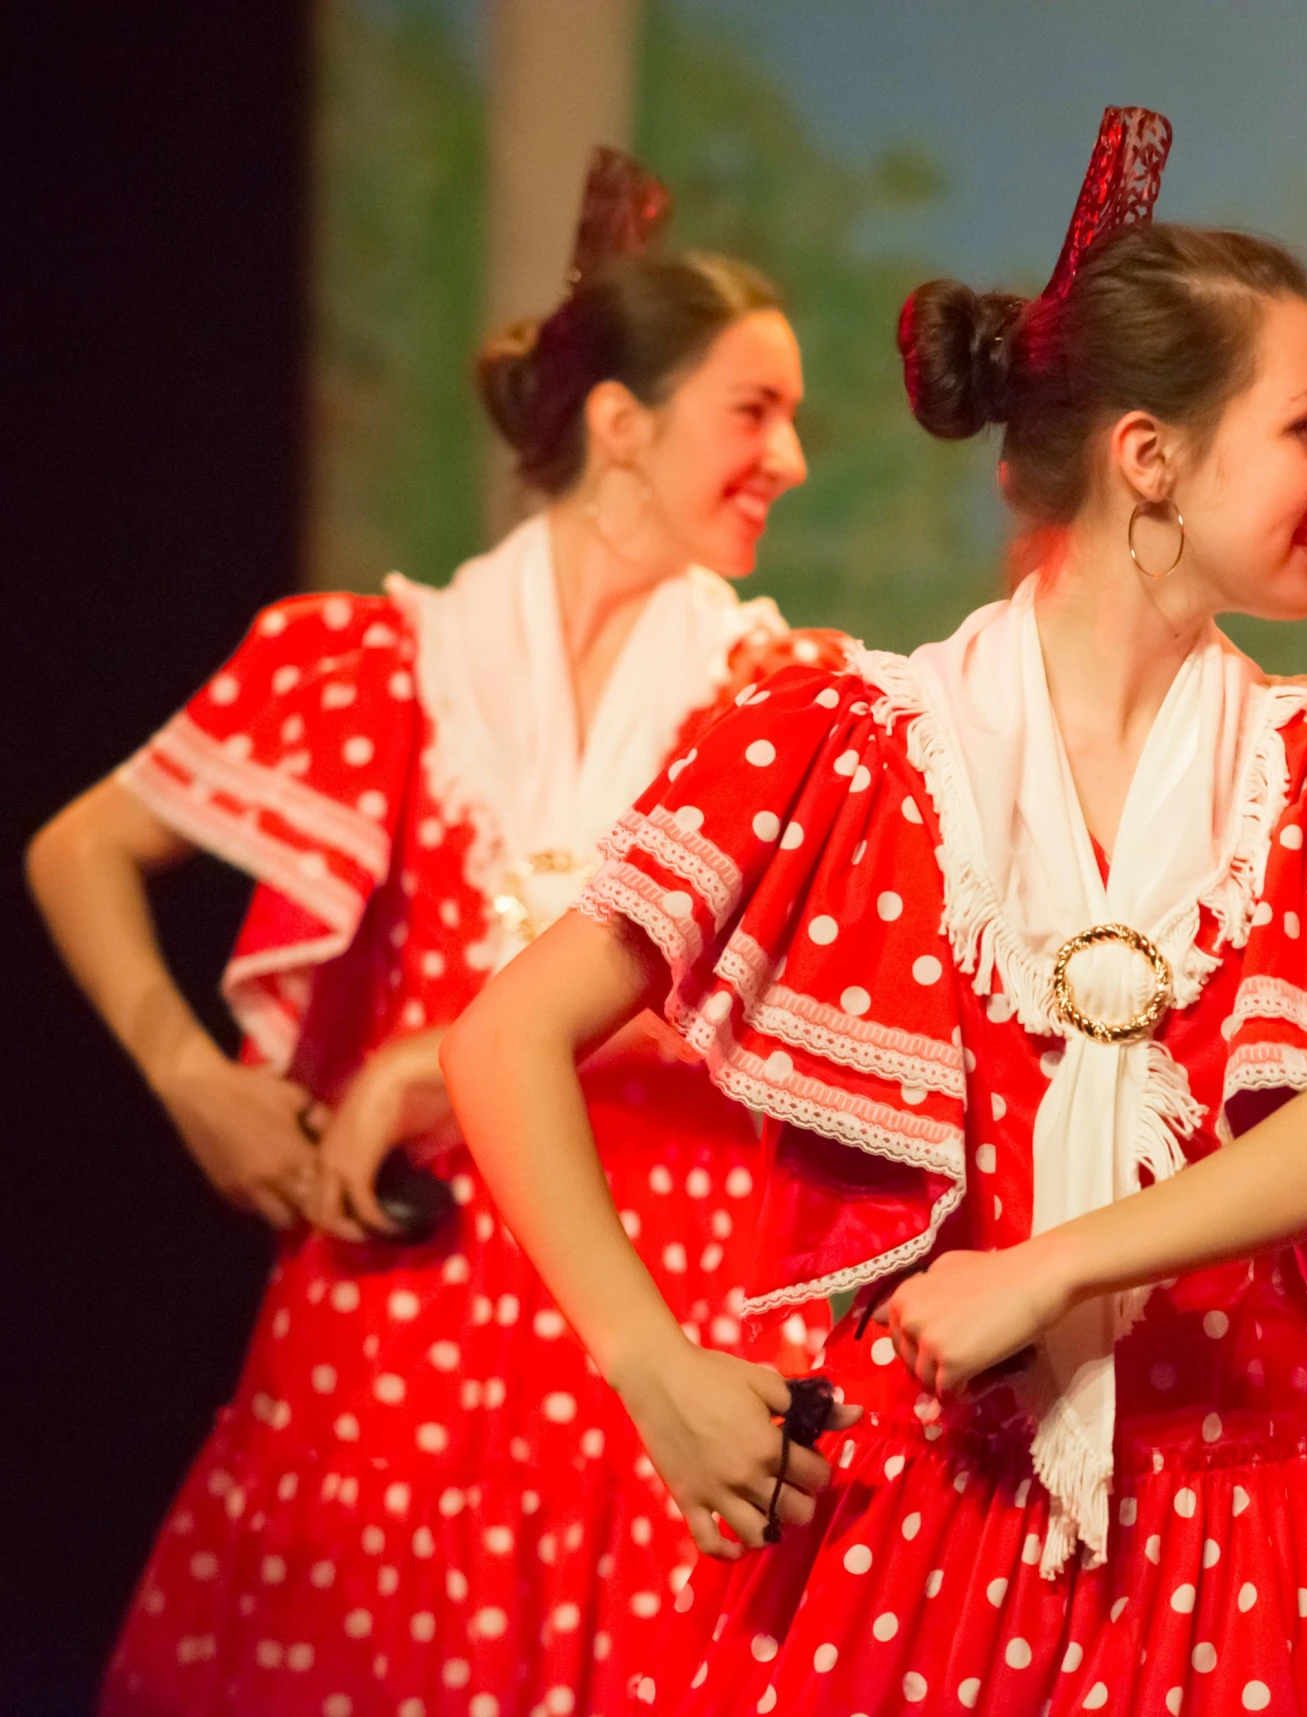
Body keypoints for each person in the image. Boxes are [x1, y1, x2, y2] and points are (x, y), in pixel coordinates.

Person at [442, 108, 1307, 1716]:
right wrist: (650, 1364)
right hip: (913, 1523)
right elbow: (504, 1038)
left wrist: (1047, 1267)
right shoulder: (836, 746)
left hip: (1247, 1522)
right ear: (1150, 458)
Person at [27, 150, 831, 1716]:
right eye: (753, 411)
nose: (791, 457)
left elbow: (794, 996)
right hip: (404, 1304)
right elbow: (79, 850)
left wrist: (430, 1056)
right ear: (619, 424)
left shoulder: (778, 697)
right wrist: (191, 1076)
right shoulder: (372, 664)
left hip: (656, 1296)